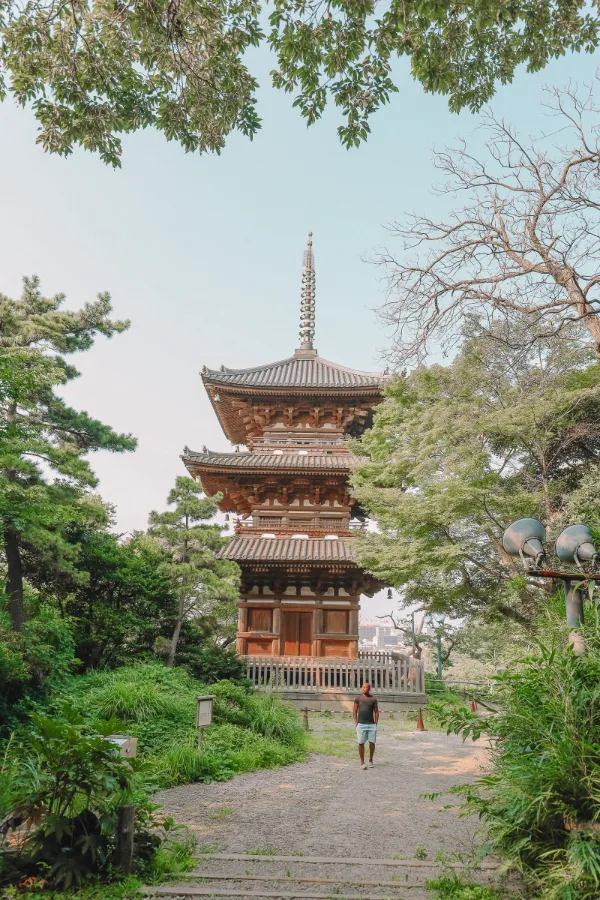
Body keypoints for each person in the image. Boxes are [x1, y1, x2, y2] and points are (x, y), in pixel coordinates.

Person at [353, 682, 378, 769]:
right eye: (363, 687)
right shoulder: (358, 698)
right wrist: (356, 723)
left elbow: (376, 712)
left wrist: (376, 723)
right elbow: (354, 711)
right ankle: (362, 762)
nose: (364, 689)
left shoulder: (373, 699)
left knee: (372, 743)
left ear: (369, 689)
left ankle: (371, 760)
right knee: (361, 743)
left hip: (371, 724)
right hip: (361, 724)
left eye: (366, 687)